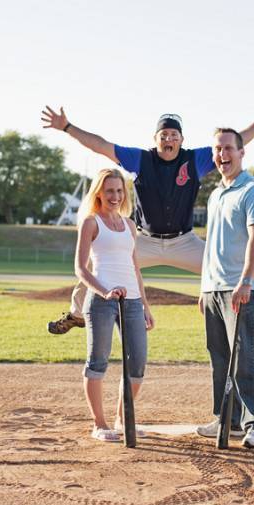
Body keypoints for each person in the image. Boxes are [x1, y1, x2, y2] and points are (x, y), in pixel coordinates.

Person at [40, 102, 254, 335]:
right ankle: (76, 315)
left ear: (181, 139)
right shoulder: (140, 159)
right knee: (96, 267)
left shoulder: (195, 160)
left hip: (184, 242)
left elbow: (235, 142)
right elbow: (100, 145)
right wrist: (67, 127)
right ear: (156, 138)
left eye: (174, 134)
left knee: (233, 268)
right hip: (144, 241)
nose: (169, 138)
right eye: (164, 134)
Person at [196, 128, 254, 449]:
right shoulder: (216, 194)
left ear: (242, 153)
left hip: (240, 288)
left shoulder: (253, 190)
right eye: (217, 149)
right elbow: (213, 244)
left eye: (228, 148)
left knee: (245, 355)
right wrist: (204, 287)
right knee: (219, 356)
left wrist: (246, 282)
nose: (222, 154)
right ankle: (226, 418)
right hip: (214, 288)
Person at [74, 168, 154, 442]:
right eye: (109, 191)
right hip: (101, 302)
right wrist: (106, 291)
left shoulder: (130, 225)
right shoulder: (91, 223)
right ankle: (99, 424)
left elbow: (135, 268)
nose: (115, 196)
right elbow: (81, 269)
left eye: (119, 191)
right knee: (98, 362)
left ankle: (123, 419)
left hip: (131, 302)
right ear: (99, 192)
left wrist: (145, 304)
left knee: (138, 364)